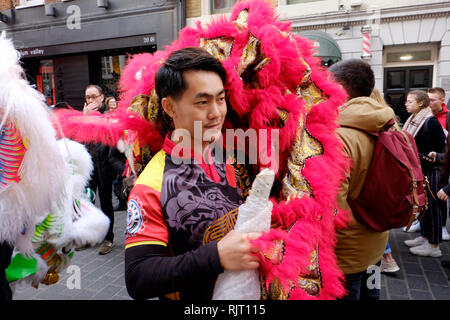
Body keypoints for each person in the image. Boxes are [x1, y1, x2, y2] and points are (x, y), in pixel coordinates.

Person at [124, 47, 260, 300]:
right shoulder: (150, 186)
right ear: (170, 107)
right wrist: (217, 257)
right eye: (202, 102)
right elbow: (138, 277)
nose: (216, 113)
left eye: (220, 99)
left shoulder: (227, 160)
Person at [330, 59, 395, 300]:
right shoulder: (388, 124)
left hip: (347, 255)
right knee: (373, 292)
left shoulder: (338, 136)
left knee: (351, 294)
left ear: (340, 87)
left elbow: (334, 206)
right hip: (377, 241)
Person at [403, 90, 446, 257]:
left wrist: (428, 158)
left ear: (420, 104)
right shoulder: (414, 119)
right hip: (419, 169)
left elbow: (440, 151)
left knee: (433, 207)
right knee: (424, 206)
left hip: (431, 171)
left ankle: (434, 246)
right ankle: (426, 236)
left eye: (410, 102)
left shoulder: (430, 122)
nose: (406, 104)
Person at [80, 84, 116, 255]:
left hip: (105, 165)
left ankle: (108, 239)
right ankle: (90, 237)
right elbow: (80, 139)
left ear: (102, 97)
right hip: (89, 165)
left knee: (106, 202)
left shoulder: (108, 115)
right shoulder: (85, 117)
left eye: (94, 96)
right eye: (88, 97)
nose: (91, 100)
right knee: (87, 202)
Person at [369, 88, 400, 274]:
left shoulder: (367, 123)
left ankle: (386, 259)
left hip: (372, 184)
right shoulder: (389, 121)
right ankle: (385, 261)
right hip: (387, 186)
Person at [427, 87, 450, 241]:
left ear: (442, 101)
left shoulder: (447, 117)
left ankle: (442, 227)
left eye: (432, 100)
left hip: (444, 164)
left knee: (441, 194)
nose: (429, 103)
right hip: (434, 160)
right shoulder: (427, 115)